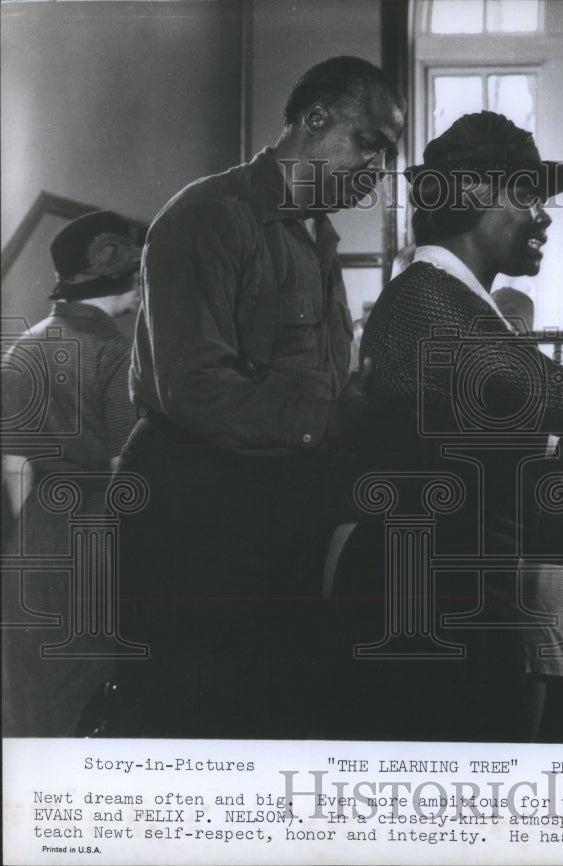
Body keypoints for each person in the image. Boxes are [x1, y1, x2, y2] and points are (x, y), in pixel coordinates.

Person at [331, 110, 563, 742]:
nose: (544, 216)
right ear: (474, 195)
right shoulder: (433, 301)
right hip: (428, 605)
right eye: (529, 195)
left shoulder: (451, 301)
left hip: (443, 595)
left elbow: (538, 427)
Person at [113, 56, 405, 738]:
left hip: (275, 514)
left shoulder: (312, 233)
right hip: (197, 517)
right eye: (369, 144)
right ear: (315, 119)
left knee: (272, 717)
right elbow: (196, 388)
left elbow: (314, 381)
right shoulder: (211, 213)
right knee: (193, 728)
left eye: (386, 156)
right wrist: (340, 419)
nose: (376, 171)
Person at [2, 210, 141, 736]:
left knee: (35, 689)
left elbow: (14, 466)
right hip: (97, 530)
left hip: (35, 534)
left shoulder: (25, 346)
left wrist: (32, 534)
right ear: (123, 277)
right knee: (89, 691)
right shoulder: (115, 352)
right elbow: (121, 464)